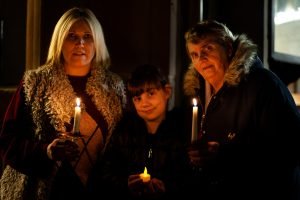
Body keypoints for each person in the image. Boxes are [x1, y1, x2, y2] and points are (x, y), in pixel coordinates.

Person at [0, 7, 126, 200]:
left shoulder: (114, 87)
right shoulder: (35, 83)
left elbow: (123, 145)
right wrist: (46, 152)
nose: (80, 43)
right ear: (60, 41)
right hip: (44, 191)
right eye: (72, 36)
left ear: (97, 42)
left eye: (87, 36)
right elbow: (7, 140)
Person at [182, 20, 300, 200]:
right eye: (195, 54)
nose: (201, 59)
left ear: (228, 48)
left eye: (208, 49)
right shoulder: (199, 93)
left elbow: (289, 149)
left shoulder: (263, 86)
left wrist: (225, 155)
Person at [90, 64, 191, 199]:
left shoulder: (181, 129)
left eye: (151, 93)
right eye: (138, 98)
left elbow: (189, 176)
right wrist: (126, 184)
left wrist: (167, 187)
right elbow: (107, 171)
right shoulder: (125, 130)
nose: (145, 103)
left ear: (167, 92)